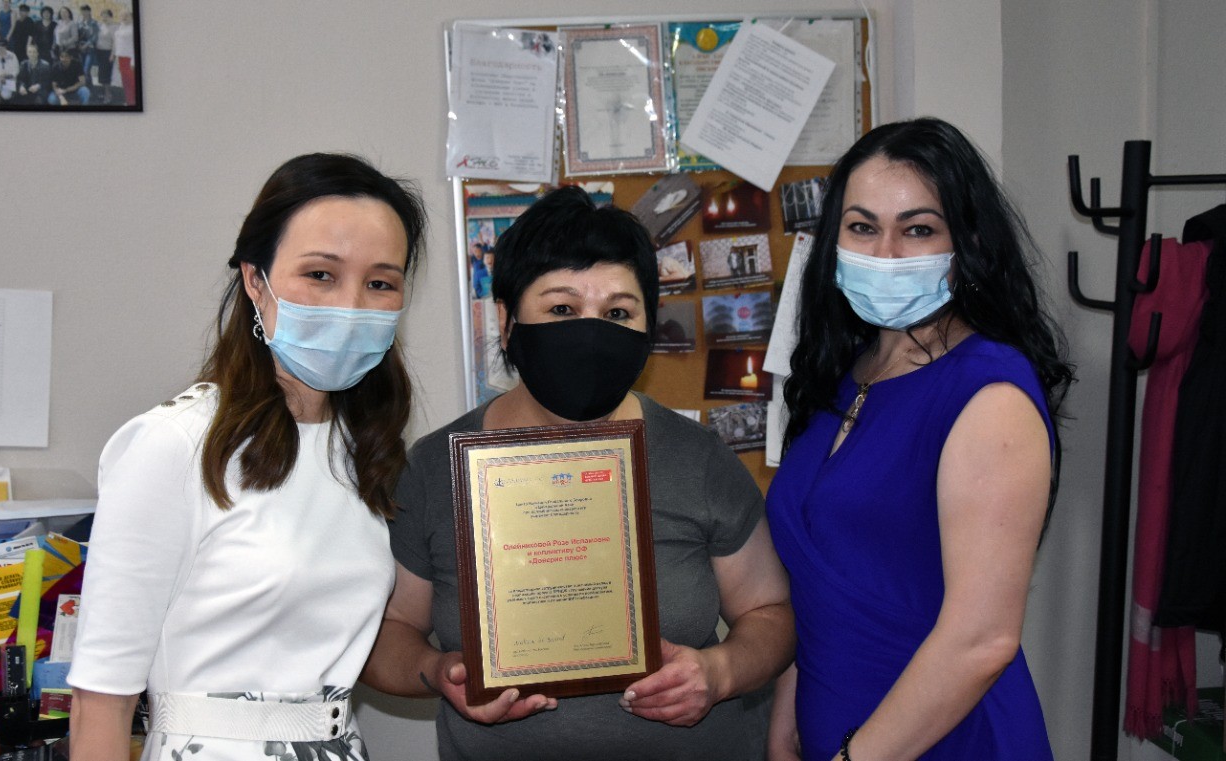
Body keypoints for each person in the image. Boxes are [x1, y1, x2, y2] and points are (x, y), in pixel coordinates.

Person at [363, 185, 794, 761]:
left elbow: (771, 614)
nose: (590, 333)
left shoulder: (697, 457)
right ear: (508, 319)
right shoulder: (437, 467)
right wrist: (434, 670)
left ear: (647, 327)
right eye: (561, 309)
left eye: (618, 313)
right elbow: (388, 634)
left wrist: (721, 670)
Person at [67, 153, 427, 761]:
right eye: (320, 275)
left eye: (380, 283)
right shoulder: (175, 446)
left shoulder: (360, 450)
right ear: (255, 281)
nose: (351, 305)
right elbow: (101, 701)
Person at [765, 117, 1073, 761]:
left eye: (918, 228)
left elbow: (982, 639)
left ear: (967, 242)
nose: (885, 254)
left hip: (950, 741)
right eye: (862, 226)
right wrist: (785, 733)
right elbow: (817, 588)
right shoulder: (842, 376)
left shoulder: (990, 396)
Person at [111, 7, 133, 105]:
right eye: (121, 15)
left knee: (133, 81)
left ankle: (134, 101)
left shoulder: (133, 28)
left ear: (131, 16)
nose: (124, 17)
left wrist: (134, 61)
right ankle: (129, 101)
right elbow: (117, 43)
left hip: (130, 59)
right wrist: (114, 56)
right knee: (125, 82)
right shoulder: (120, 27)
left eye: (126, 15)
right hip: (121, 58)